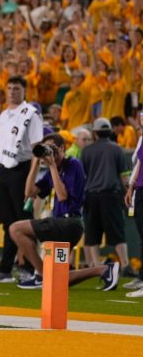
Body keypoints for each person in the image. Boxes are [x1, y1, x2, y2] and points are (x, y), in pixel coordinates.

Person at [11, 133, 119, 291]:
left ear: (62, 148)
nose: (48, 153)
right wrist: (35, 161)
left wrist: (52, 166)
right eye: (46, 149)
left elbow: (62, 196)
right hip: (64, 227)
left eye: (51, 148)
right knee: (58, 279)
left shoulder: (73, 164)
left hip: (68, 223)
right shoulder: (52, 171)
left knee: (16, 229)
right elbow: (29, 192)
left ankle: (41, 275)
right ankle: (103, 270)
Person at [0, 76, 43, 283]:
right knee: (8, 222)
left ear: (24, 91)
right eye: (10, 88)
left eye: (17, 88)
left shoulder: (31, 114)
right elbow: (0, 149)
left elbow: (37, 150)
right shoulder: (3, 116)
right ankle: (6, 269)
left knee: (23, 221)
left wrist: (31, 179)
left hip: (21, 170)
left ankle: (31, 268)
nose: (13, 91)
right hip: (3, 172)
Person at [81, 118, 134, 277]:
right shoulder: (117, 149)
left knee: (92, 234)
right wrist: (129, 191)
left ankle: (97, 267)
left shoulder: (86, 151)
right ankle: (126, 266)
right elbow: (125, 177)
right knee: (117, 233)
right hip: (111, 196)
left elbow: (83, 177)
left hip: (90, 197)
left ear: (95, 133)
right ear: (110, 131)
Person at [124, 110, 143, 294]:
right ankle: (141, 277)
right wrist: (130, 187)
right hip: (140, 189)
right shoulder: (141, 139)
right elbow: (138, 164)